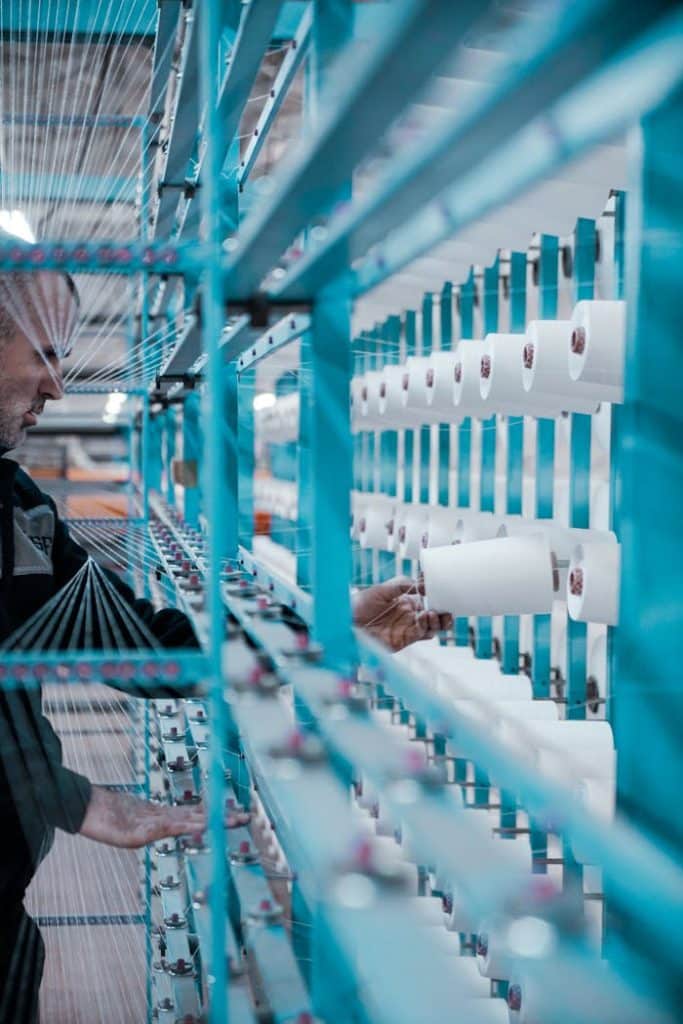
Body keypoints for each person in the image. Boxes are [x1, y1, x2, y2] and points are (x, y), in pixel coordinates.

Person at [0, 267, 451, 1020]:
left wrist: (322, 630)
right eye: (45, 354)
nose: (57, 387)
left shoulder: (16, 511)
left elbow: (138, 643)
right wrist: (70, 797)